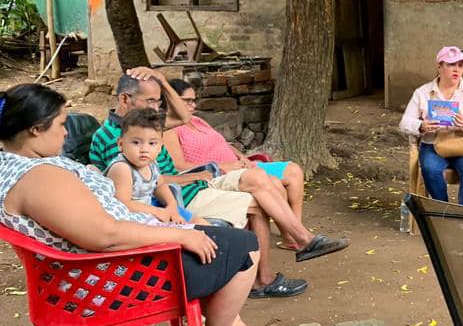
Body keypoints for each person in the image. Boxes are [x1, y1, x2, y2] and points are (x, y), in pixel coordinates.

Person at [0, 83, 261, 326]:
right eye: (61, 124)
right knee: (244, 246)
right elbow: (106, 236)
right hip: (112, 276)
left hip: (94, 269)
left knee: (218, 239)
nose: (65, 132)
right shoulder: (39, 177)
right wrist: (178, 235)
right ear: (36, 129)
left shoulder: (14, 165)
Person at [89, 68, 341, 299]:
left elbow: (183, 117)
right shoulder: (120, 138)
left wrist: (162, 80)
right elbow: (144, 187)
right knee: (256, 200)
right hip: (175, 197)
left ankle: (278, 261)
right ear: (124, 100)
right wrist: (193, 177)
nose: (158, 107)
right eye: (151, 101)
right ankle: (270, 272)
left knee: (259, 189)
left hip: (183, 190)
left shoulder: (140, 125)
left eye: (159, 100)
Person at [163, 79, 330, 253]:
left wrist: (243, 157)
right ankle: (294, 236)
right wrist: (223, 166)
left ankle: (295, 232)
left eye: (194, 100)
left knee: (293, 170)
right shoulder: (170, 129)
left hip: (239, 166)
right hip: (220, 173)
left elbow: (223, 143)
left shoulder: (197, 120)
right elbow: (179, 165)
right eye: (187, 101)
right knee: (272, 182)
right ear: (171, 99)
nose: (193, 105)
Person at [399, 46, 463, 206]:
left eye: (460, 65)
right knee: (430, 168)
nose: (456, 69)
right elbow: (404, 123)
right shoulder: (423, 92)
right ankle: (444, 211)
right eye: (451, 64)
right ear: (439, 66)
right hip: (433, 144)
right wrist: (421, 126)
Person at [105, 108, 202, 225]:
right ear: (120, 144)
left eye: (152, 143)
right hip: (131, 215)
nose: (144, 150)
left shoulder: (151, 164)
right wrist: (157, 212)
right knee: (178, 228)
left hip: (150, 206)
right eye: (136, 142)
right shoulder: (122, 168)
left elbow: (160, 185)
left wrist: (172, 206)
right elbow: (122, 203)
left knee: (194, 220)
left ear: (160, 147)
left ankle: (213, 231)